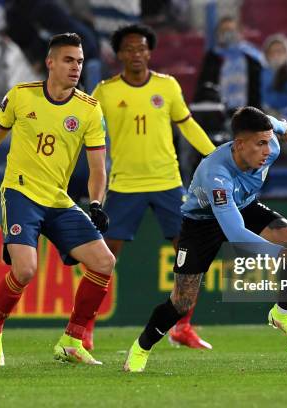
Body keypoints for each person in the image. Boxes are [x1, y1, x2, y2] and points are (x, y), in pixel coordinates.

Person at [0, 33, 114, 366]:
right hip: (20, 193)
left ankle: (71, 341)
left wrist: (97, 204)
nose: (76, 68)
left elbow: (98, 167)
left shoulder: (89, 109)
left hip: (58, 200)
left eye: (80, 61)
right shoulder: (21, 96)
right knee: (26, 269)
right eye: (69, 60)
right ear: (51, 63)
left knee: (104, 263)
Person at [123, 107, 287, 373]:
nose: (267, 150)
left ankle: (282, 314)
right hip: (202, 223)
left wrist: (282, 126)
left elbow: (270, 125)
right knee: (182, 301)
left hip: (243, 205)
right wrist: (277, 257)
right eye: (260, 144)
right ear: (239, 144)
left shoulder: (271, 148)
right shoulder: (216, 175)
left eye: (268, 141)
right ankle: (141, 348)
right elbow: (235, 234)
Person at [90, 24, 216, 350]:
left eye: (142, 48)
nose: (136, 54)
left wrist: (216, 157)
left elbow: (187, 125)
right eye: (129, 49)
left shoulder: (167, 86)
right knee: (103, 258)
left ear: (149, 52)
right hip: (124, 185)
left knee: (190, 254)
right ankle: (83, 330)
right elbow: (85, 134)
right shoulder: (105, 92)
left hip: (168, 183)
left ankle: (183, 327)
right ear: (119, 54)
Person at [195, 16, 265, 115]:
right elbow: (205, 84)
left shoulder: (251, 56)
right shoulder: (212, 57)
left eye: (231, 30)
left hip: (250, 112)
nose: (227, 34)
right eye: (223, 31)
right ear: (218, 34)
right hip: (221, 113)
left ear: (239, 32)